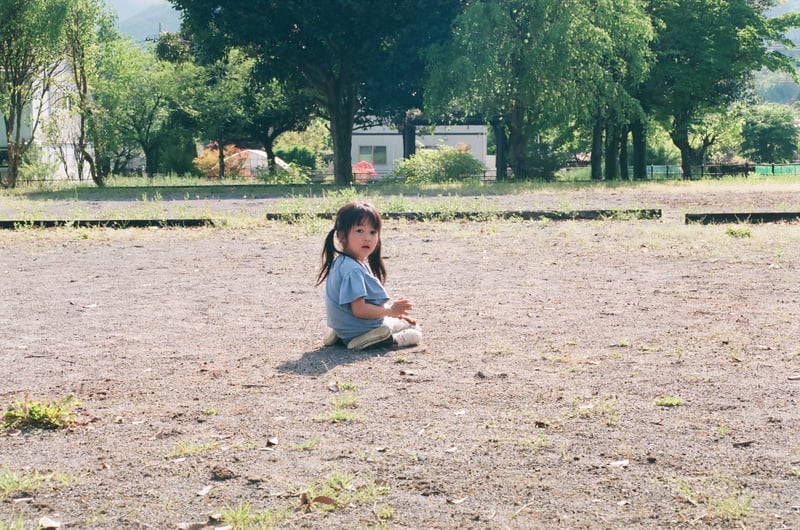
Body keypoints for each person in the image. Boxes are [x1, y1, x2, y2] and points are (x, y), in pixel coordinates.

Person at [316, 201, 422, 350]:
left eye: (373, 232)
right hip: (361, 327)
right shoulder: (354, 270)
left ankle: (342, 334)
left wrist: (392, 312)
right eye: (360, 231)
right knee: (415, 332)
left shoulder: (342, 262)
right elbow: (360, 310)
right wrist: (391, 310)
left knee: (405, 322)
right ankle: (367, 339)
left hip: (347, 326)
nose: (367, 238)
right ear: (341, 236)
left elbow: (364, 304)